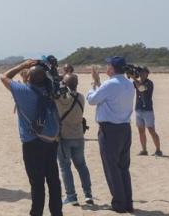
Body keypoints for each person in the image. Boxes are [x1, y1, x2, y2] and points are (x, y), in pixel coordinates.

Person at [2, 59, 62, 216]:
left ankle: (36, 213)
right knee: (53, 181)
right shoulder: (50, 90)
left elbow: (4, 77)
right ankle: (57, 213)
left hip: (32, 141)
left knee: (37, 184)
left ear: (28, 78)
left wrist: (23, 65)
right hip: (51, 140)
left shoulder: (24, 92)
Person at [86, 56, 135, 214]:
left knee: (111, 167)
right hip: (125, 128)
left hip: (110, 130)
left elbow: (92, 100)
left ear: (113, 68)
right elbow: (107, 97)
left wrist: (94, 84)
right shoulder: (128, 83)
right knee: (123, 167)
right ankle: (128, 201)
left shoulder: (110, 83)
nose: (106, 67)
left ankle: (119, 203)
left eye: (108, 65)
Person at [55, 73, 93, 206]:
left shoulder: (61, 99)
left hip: (64, 137)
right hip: (79, 136)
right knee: (82, 166)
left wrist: (58, 85)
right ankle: (88, 194)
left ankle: (71, 196)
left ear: (65, 84)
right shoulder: (81, 97)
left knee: (65, 167)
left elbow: (57, 99)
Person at [132, 68, 162, 157]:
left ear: (147, 74)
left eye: (143, 73)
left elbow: (142, 89)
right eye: (140, 72)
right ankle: (144, 150)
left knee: (151, 130)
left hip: (147, 110)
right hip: (138, 109)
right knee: (141, 130)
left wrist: (133, 78)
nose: (141, 74)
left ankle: (158, 150)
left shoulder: (149, 83)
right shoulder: (136, 82)